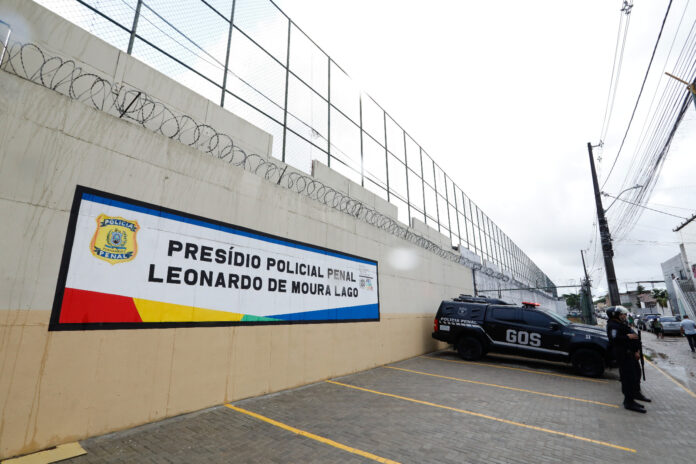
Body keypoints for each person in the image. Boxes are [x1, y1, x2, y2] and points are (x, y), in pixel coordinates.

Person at [606, 306, 651, 413]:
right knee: (628, 378)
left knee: (636, 374)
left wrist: (636, 350)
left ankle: (635, 394)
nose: (624, 316)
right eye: (621, 314)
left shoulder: (621, 324)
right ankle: (628, 402)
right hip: (624, 356)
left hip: (630, 354)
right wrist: (628, 337)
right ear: (615, 315)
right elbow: (614, 339)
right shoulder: (613, 325)